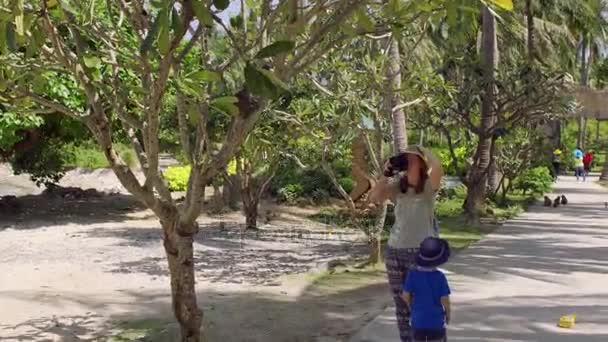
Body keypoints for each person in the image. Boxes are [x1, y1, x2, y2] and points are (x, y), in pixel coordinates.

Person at [367, 145, 443, 342]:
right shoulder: (396, 187)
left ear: (421, 163)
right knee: (402, 306)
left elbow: (438, 167)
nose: (408, 162)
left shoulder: (428, 187)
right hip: (395, 252)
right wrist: (387, 172)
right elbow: (374, 197)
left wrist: (424, 151)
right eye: (405, 159)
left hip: (420, 254)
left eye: (412, 159)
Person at [401, 237, 451, 342]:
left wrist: (412, 306)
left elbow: (405, 296)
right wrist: (448, 314)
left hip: (417, 321)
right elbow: (445, 300)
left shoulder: (412, 275)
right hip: (436, 322)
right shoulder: (440, 277)